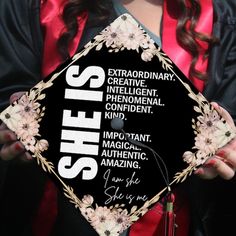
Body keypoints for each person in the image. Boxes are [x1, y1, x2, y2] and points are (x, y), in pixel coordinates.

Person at [0, 0, 236, 235]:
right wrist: (15, 125)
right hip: (55, 220)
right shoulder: (36, 7)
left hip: (171, 222)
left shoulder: (221, 17)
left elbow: (229, 114)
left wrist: (224, 149)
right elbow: (9, 89)